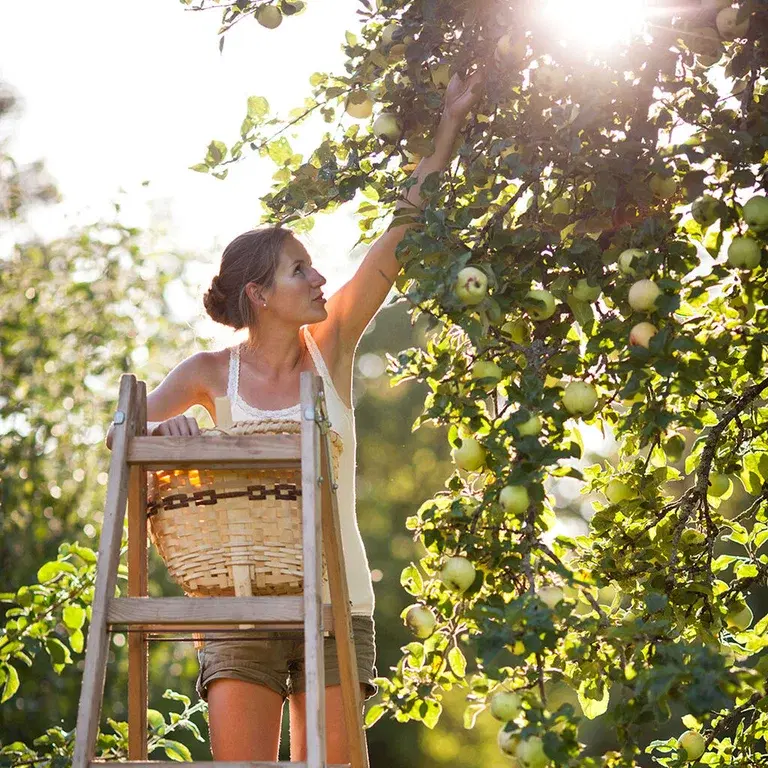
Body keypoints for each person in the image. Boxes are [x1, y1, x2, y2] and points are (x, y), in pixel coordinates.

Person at [105, 65, 486, 762]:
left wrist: (448, 133)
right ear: (258, 294)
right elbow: (118, 436)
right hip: (239, 610)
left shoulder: (330, 347)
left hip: (338, 602)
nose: (319, 278)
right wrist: (161, 431)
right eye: (299, 269)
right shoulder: (209, 373)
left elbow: (398, 239)